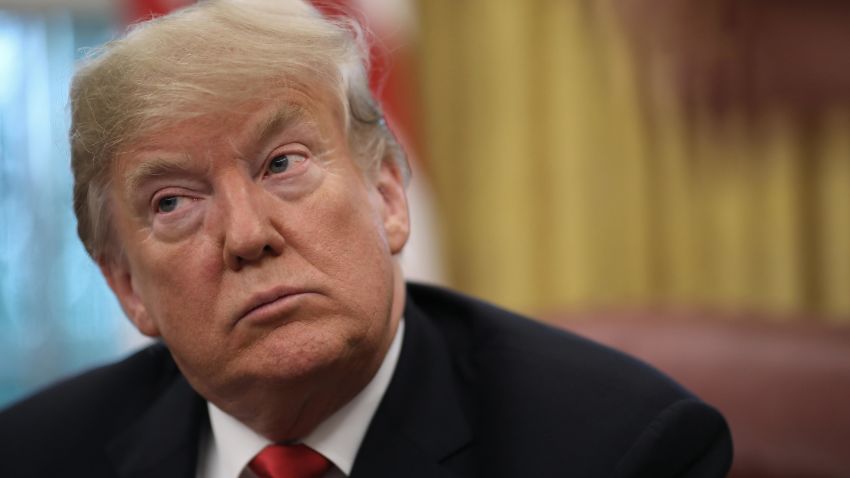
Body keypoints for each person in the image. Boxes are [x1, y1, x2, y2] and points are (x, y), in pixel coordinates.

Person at [0, 0, 732, 476]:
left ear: (387, 197)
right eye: (173, 202)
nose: (248, 236)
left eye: (282, 164)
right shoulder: (34, 456)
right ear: (128, 288)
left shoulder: (619, 450)